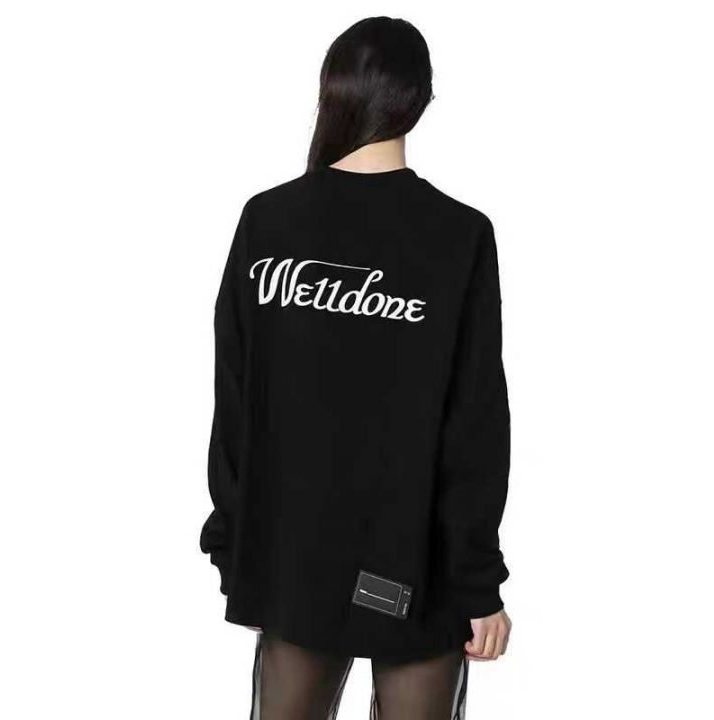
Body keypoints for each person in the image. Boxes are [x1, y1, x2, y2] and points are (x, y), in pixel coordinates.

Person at [200, 16, 512, 720]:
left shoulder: (269, 221)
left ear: (331, 93)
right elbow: (475, 425)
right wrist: (476, 583)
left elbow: (236, 399)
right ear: (421, 100)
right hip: (416, 563)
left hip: (292, 561)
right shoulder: (458, 235)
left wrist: (236, 545)